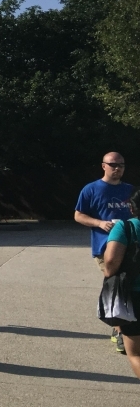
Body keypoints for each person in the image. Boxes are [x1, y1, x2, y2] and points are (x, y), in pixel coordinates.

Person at [75, 152, 133, 354]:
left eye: (121, 165)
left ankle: (130, 328)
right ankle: (119, 331)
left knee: (131, 287)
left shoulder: (130, 190)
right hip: (105, 248)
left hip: (131, 248)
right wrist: (99, 223)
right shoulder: (91, 189)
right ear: (104, 166)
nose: (117, 168)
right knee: (116, 286)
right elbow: (78, 215)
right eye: (113, 165)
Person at [103, 189, 140, 380]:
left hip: (133, 295)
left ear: (132, 209)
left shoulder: (126, 228)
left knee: (135, 353)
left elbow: (110, 262)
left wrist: (108, 275)